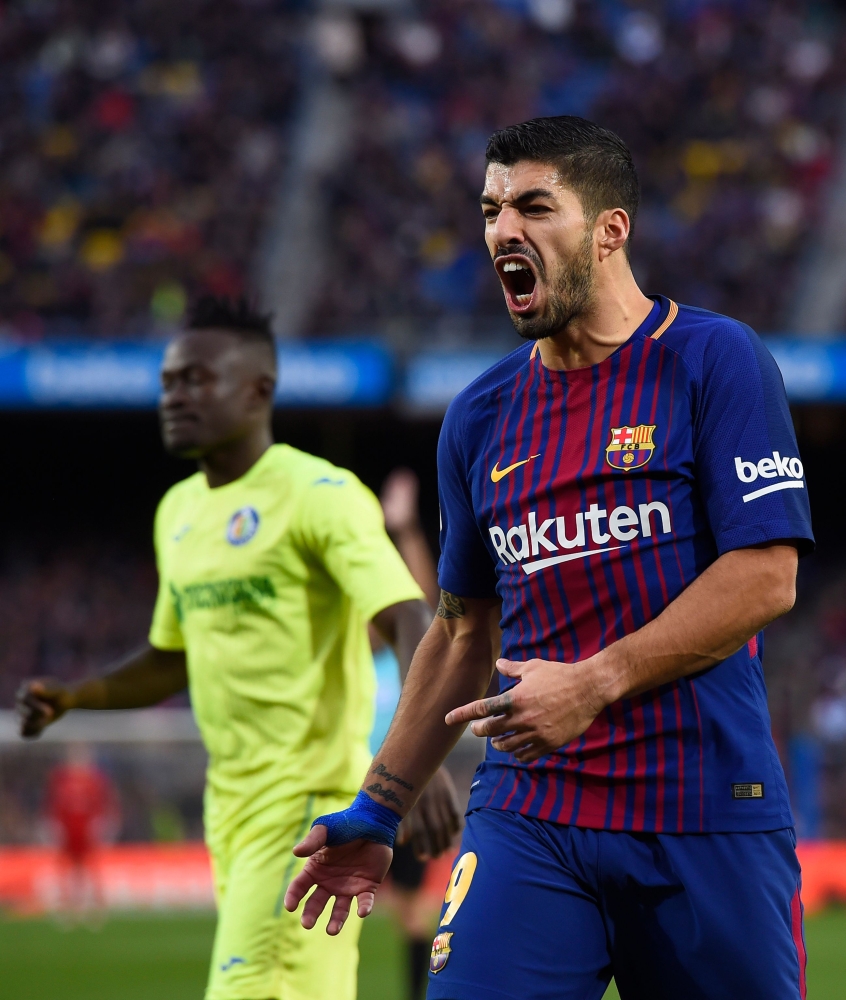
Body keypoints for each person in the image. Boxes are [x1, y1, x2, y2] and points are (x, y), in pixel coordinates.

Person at [284, 116, 815, 1000]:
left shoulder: (714, 360)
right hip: (533, 815)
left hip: (706, 814)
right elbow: (460, 632)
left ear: (611, 229)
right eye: (492, 210)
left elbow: (768, 575)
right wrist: (381, 804)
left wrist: (595, 682)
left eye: (534, 205)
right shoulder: (482, 416)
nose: (502, 231)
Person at [17, 295, 459, 1000]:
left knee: (246, 988)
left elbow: (409, 615)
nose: (175, 396)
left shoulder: (320, 493)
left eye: (197, 379)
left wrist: (414, 760)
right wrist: (79, 695)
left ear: (258, 390)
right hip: (231, 807)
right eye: (168, 382)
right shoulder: (179, 512)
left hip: (310, 803)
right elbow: (171, 654)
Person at [375, 468, 445, 1000]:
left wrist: (407, 531)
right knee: (403, 913)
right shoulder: (364, 654)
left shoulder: (407, 658)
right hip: (356, 785)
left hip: (405, 786)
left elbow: (423, 604)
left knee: (415, 912)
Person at [45, 743, 118, 919]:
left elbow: (103, 803)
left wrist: (103, 823)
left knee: (91, 867)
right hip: (68, 830)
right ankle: (68, 905)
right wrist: (53, 824)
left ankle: (96, 906)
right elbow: (53, 803)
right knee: (65, 867)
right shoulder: (61, 779)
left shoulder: (94, 779)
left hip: (87, 830)